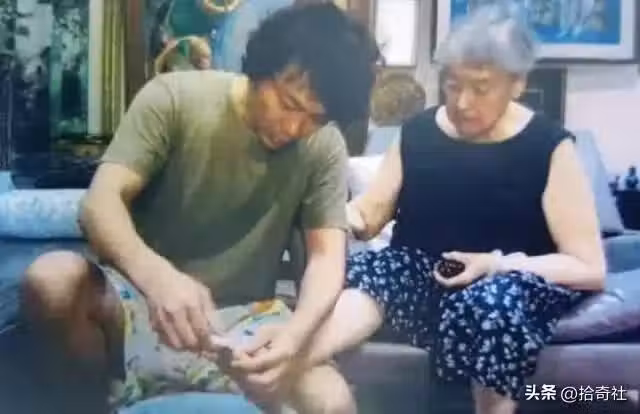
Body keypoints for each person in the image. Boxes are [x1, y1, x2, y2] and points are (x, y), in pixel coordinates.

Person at [21, 3, 379, 414]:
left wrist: (295, 337)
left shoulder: (323, 146)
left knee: (332, 402)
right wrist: (159, 279)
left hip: (247, 322)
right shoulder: (174, 97)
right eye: (288, 103)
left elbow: (326, 259)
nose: (295, 127)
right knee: (52, 280)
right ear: (259, 68)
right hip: (139, 302)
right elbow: (99, 203)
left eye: (314, 118)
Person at [292, 5, 606, 414]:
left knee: (492, 304)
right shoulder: (419, 132)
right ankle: (287, 359)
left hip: (506, 281)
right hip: (425, 276)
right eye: (452, 85)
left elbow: (588, 267)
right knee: (372, 271)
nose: (462, 102)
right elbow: (368, 215)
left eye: (481, 88)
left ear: (517, 84)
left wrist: (496, 264)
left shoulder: (549, 146)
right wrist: (326, 216)